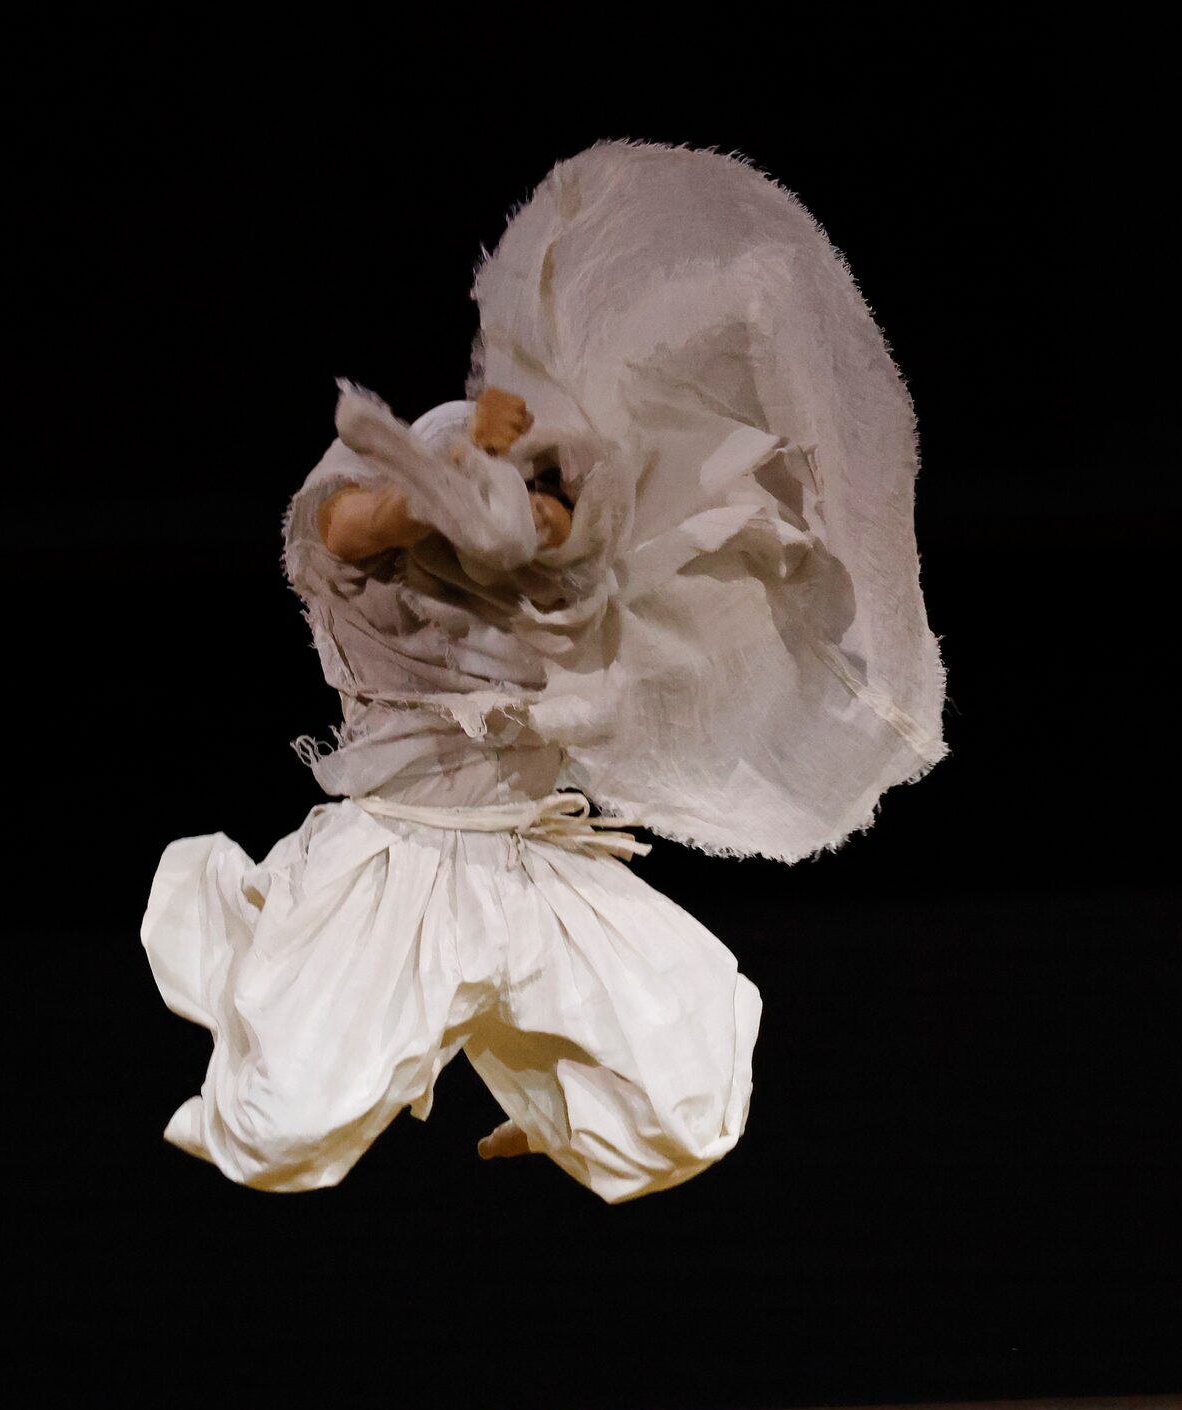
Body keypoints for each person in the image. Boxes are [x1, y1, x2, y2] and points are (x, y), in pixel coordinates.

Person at [141, 140, 945, 1204]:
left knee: (688, 1095)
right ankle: (254, 936)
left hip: (535, 862)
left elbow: (602, 525)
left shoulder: (567, 577)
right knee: (282, 1132)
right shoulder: (364, 550)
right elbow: (358, 519)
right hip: (394, 862)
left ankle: (544, 1103)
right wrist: (451, 480)